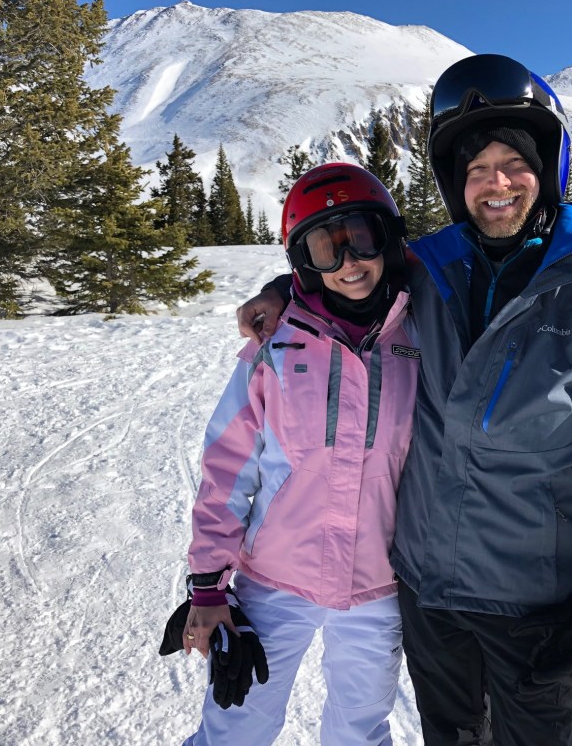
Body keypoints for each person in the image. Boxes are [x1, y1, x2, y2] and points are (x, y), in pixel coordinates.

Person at [237, 53, 572, 746]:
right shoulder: (429, 266)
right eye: (476, 170)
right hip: (429, 592)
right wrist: (280, 292)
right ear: (454, 183)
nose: (495, 184)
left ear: (547, 169)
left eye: (514, 164)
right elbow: (345, 273)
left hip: (534, 599)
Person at [181, 163, 420, 746]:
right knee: (234, 726)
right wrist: (208, 583)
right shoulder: (277, 345)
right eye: (325, 249)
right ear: (302, 263)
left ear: (387, 238)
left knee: (359, 734)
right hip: (275, 580)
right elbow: (227, 466)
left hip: (377, 586)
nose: (349, 262)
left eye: (361, 238)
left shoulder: (423, 333)